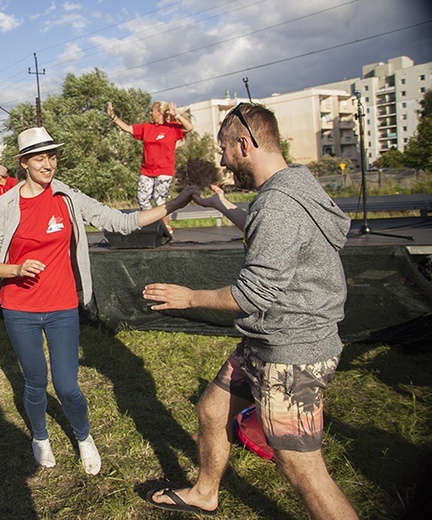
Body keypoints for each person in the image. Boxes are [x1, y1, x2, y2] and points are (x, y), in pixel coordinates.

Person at [143, 103, 358, 519]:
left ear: (244, 143)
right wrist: (223, 207)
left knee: (302, 469)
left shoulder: (278, 205)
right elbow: (269, 231)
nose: (222, 159)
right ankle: (206, 492)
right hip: (265, 340)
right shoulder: (293, 184)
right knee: (211, 409)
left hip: (291, 351)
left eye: (224, 149)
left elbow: (252, 292)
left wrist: (190, 297)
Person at [0, 127, 196, 474]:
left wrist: (175, 203)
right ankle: (40, 436)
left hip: (62, 305)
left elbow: (121, 222)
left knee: (66, 385)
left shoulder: (67, 197)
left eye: (52, 156)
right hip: (19, 308)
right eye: (39, 158)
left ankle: (83, 437)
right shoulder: (6, 204)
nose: (48, 164)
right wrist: (15, 268)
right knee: (35, 381)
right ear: (23, 163)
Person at [107, 100, 193, 234]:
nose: (150, 113)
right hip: (147, 170)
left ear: (159, 112)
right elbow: (128, 128)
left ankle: (166, 228)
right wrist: (113, 117)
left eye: (152, 110)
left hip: (164, 170)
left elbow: (189, 127)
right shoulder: (147, 127)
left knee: (159, 199)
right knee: (142, 199)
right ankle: (152, 225)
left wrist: (177, 115)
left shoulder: (172, 128)